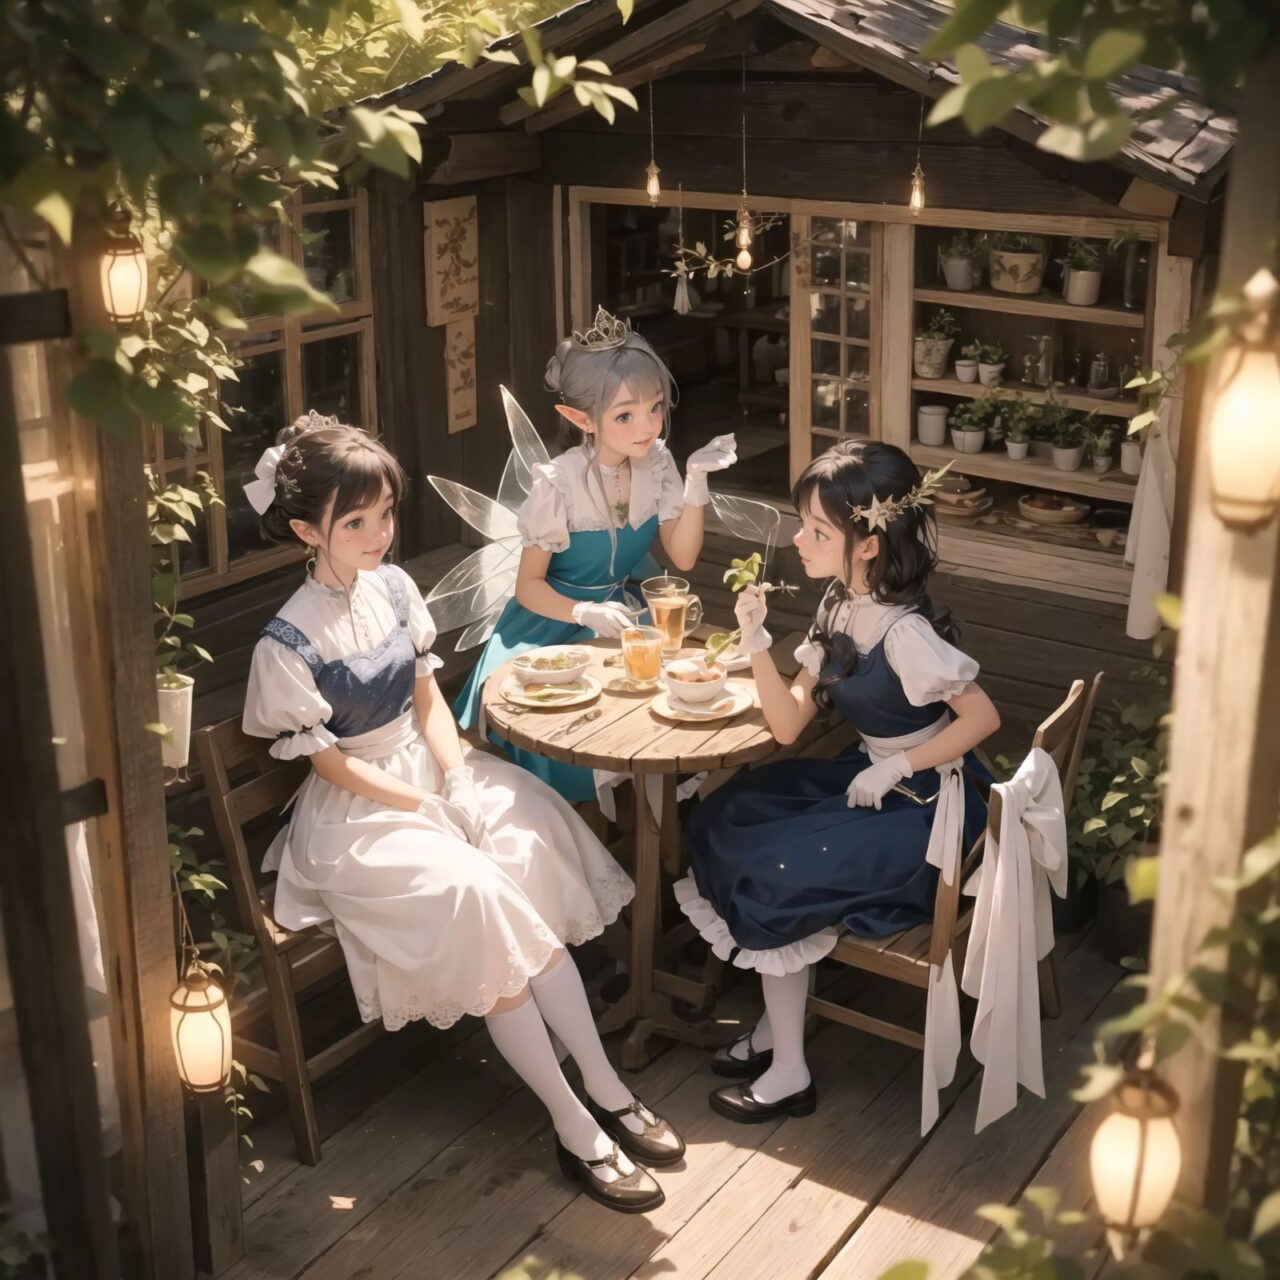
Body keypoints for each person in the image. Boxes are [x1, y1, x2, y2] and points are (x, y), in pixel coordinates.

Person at [241, 412, 683, 1212]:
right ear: (308, 529)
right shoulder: (286, 642)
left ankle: (608, 1086)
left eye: (385, 515)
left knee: (528, 834)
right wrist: (421, 803)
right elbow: (330, 761)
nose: (378, 534)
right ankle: (573, 1121)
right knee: (477, 897)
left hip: (422, 769)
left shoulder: (398, 589)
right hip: (355, 813)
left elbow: (429, 706)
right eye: (356, 522)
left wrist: (459, 781)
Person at [675, 440, 1000, 1122]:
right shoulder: (838, 605)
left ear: (869, 544)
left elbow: (983, 718)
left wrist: (897, 765)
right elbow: (791, 723)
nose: (800, 538)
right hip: (874, 779)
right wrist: (758, 643)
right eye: (804, 524)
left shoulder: (905, 635)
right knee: (722, 816)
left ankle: (789, 1069)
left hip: (928, 802)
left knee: (776, 872)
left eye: (818, 530)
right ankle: (777, 1026)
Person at [453, 306, 737, 801]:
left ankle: (657, 811)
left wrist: (696, 483)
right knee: (570, 723)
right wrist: (583, 611)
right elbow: (528, 588)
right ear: (579, 418)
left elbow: (684, 558)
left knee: (675, 698)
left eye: (655, 408)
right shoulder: (557, 484)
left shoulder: (660, 464)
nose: (646, 426)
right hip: (548, 625)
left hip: (624, 615)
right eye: (624, 414)